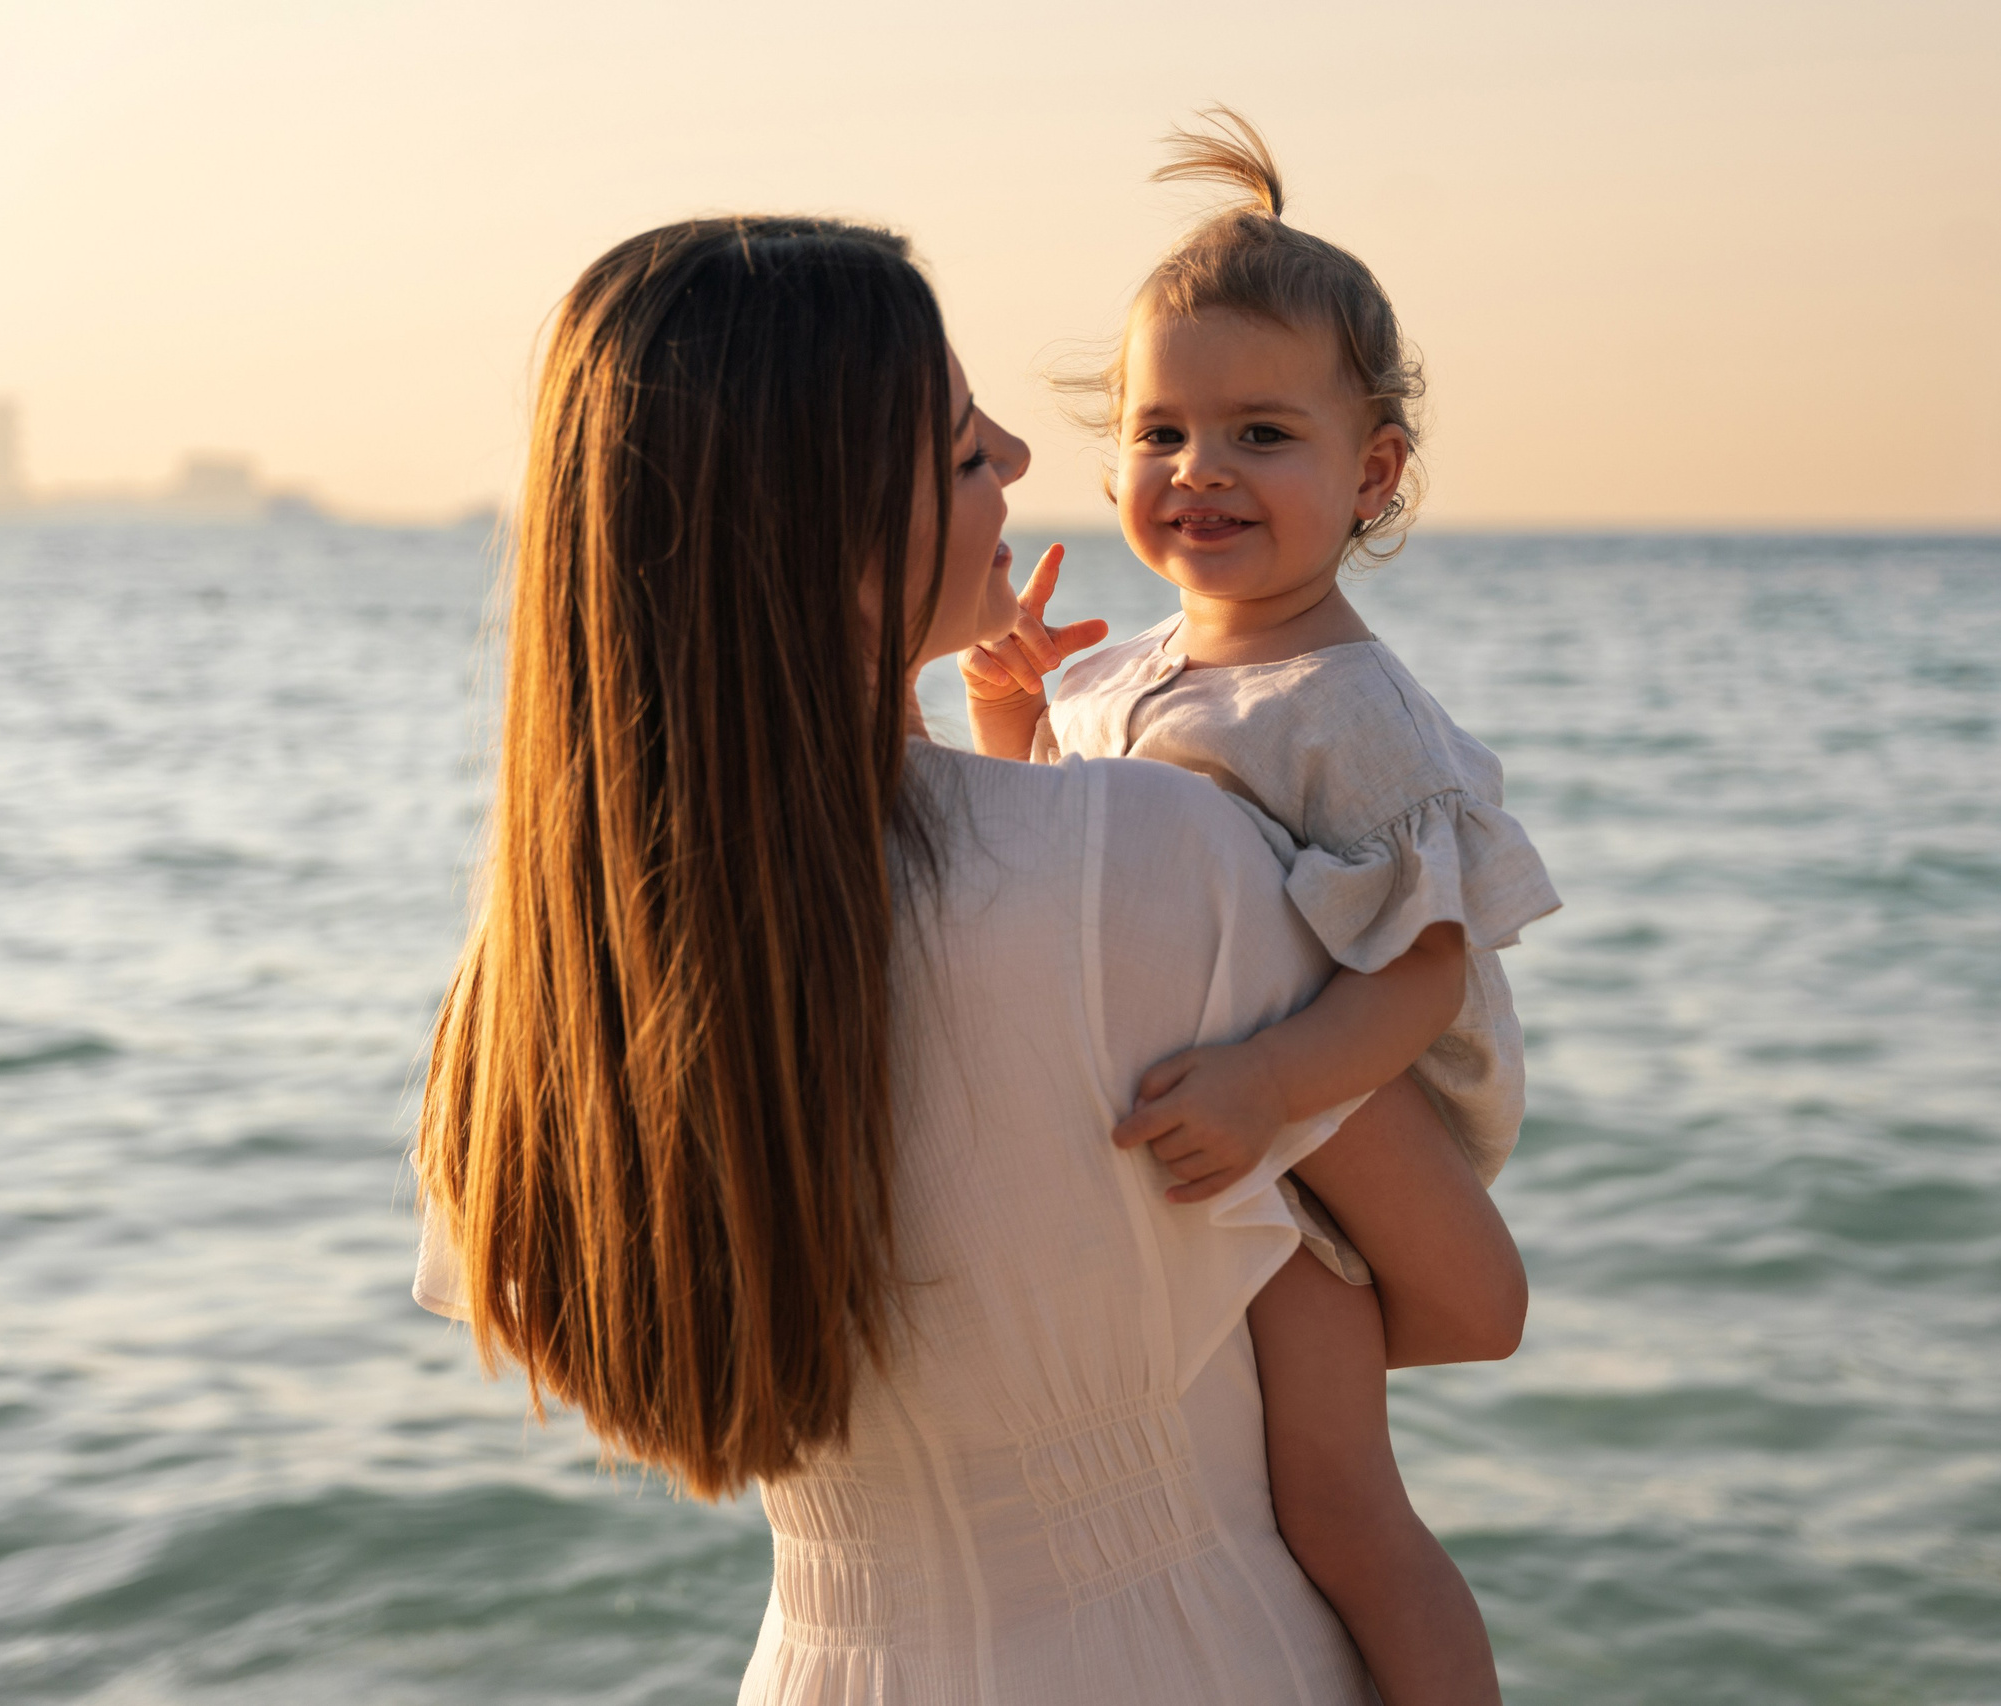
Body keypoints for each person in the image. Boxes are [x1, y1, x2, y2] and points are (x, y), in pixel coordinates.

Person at [409, 214, 1524, 1703]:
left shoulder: (541, 986)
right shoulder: (1158, 857)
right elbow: (1469, 1298)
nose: (1012, 452)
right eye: (953, 452)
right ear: (828, 538)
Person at [961, 111, 1556, 1705]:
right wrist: (1012, 713)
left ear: (1373, 474)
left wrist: (1272, 1084)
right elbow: (1054, 862)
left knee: (1344, 1514)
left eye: (1261, 437)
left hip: (1332, 1141)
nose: (1200, 472)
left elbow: (1425, 977)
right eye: (1163, 434)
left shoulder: (1342, 707)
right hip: (1218, 1127)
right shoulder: (1119, 671)